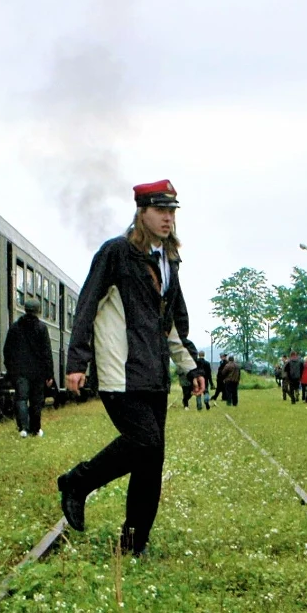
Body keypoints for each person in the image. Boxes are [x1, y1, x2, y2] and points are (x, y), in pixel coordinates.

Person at [57, 179, 204, 557]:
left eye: (172, 211)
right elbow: (87, 305)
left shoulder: (169, 262)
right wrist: (77, 361)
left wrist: (190, 368)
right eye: (161, 210)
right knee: (145, 442)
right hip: (119, 373)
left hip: (154, 377)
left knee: (151, 461)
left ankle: (133, 544)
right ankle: (77, 482)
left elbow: (170, 325)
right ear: (142, 212)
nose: (168, 218)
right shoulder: (116, 253)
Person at [3, 297, 55, 437]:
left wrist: (11, 369)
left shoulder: (15, 327)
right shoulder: (42, 328)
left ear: (25, 310)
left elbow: (7, 351)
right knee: (36, 401)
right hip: (38, 373)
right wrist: (49, 374)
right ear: (38, 311)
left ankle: (23, 429)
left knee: (21, 399)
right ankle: (36, 429)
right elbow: (47, 353)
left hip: (20, 372)